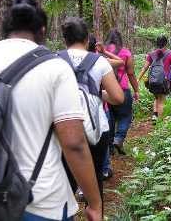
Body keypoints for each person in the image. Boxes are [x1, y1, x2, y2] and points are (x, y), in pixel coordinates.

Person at [0, 0, 102, 221]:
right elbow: (74, 143)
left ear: (4, 28)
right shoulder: (54, 68)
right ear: (43, 30)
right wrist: (94, 203)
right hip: (41, 200)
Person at [60, 18, 124, 204]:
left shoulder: (54, 60)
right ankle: (94, 209)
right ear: (87, 39)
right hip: (96, 128)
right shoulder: (99, 62)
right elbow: (118, 98)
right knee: (95, 176)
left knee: (64, 180)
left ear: (65, 39)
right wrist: (97, 94)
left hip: (63, 128)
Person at [104, 29, 140, 157]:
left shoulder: (101, 52)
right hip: (122, 89)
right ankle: (118, 139)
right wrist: (136, 90)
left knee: (110, 118)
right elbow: (130, 73)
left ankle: (109, 147)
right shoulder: (125, 52)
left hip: (105, 91)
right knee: (126, 115)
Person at [138, 35, 171, 122]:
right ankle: (159, 122)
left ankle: (154, 116)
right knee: (162, 100)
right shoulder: (170, 54)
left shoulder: (151, 54)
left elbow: (145, 67)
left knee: (156, 98)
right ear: (166, 43)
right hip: (163, 81)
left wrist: (138, 78)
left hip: (153, 80)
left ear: (157, 43)